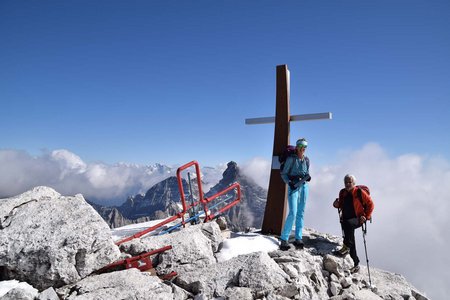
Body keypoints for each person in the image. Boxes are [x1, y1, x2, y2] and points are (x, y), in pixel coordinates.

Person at [333, 174, 374, 273]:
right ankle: (355, 263)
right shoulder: (342, 192)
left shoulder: (360, 192)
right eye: (346, 182)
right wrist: (336, 204)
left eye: (349, 182)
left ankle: (346, 247)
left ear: (354, 183)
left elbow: (371, 204)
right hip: (346, 219)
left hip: (358, 219)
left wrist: (366, 216)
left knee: (349, 232)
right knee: (351, 239)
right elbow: (341, 204)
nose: (347, 184)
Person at [279, 138, 311, 251]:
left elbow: (306, 172)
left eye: (305, 147)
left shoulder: (306, 160)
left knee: (301, 212)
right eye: (301, 147)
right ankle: (284, 239)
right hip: (294, 186)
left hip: (304, 186)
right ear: (297, 147)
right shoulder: (291, 159)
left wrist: (308, 176)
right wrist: (290, 183)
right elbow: (283, 173)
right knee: (293, 212)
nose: (303, 149)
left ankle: (298, 238)